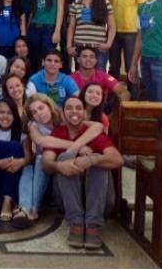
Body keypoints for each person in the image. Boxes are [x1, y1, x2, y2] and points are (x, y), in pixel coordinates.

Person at [42, 95, 123, 249]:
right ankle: (76, 224)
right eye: (69, 108)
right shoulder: (58, 132)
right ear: (63, 113)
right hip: (68, 202)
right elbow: (46, 164)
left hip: (100, 202)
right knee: (65, 157)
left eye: (78, 108)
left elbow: (118, 160)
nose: (74, 111)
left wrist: (92, 160)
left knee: (98, 158)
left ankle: (93, 225)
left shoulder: (94, 133)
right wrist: (60, 166)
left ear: (85, 113)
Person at [14, 94, 103, 229]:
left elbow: (98, 126)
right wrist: (75, 145)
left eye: (41, 108)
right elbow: (42, 141)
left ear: (49, 106)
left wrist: (77, 145)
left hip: (64, 162)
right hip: (45, 164)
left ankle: (31, 208)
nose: (39, 113)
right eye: (34, 112)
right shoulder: (34, 125)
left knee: (39, 159)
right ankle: (27, 208)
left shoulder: (64, 117)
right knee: (30, 167)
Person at [107, 0, 143, 98]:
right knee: (113, 68)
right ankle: (113, 101)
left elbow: (142, 7)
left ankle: (133, 102)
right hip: (113, 32)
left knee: (131, 67)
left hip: (131, 32)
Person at [67, 0, 116, 70]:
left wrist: (108, 43)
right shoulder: (76, 4)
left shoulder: (105, 3)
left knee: (99, 79)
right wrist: (69, 46)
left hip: (99, 48)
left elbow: (112, 26)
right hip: (80, 47)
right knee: (81, 80)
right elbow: (71, 27)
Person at [27, 0, 66, 69]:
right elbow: (31, 11)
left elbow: (60, 8)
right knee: (33, 58)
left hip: (49, 28)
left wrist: (57, 31)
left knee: (47, 59)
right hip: (33, 27)